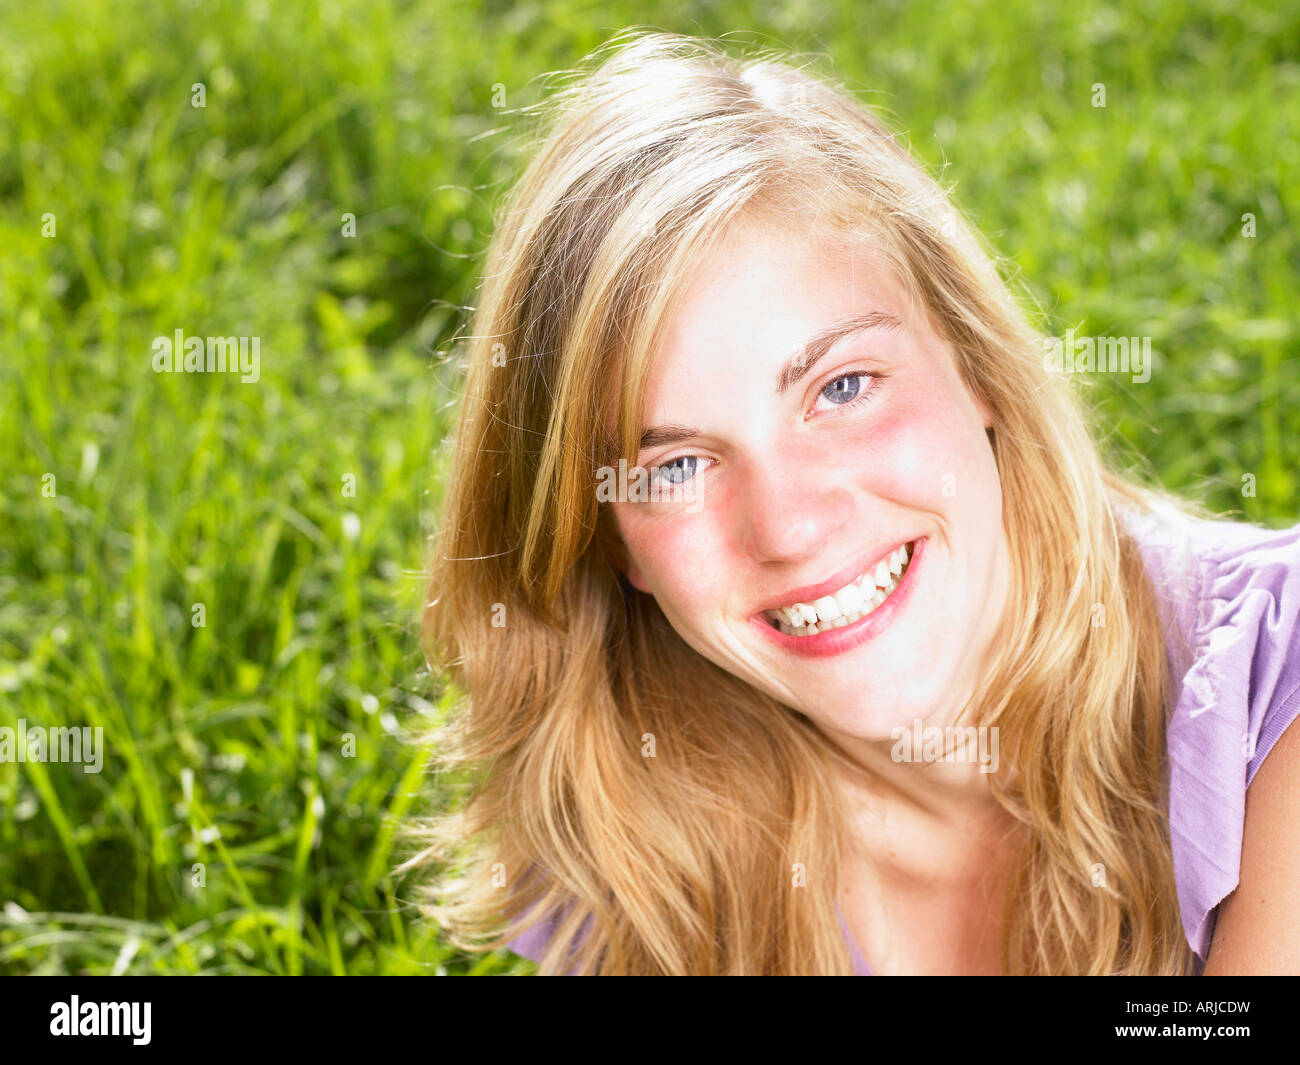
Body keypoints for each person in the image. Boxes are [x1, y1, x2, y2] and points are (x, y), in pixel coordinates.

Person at [401, 30, 1300, 975]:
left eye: (840, 388)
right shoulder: (644, 863)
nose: (789, 528)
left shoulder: (1271, 692)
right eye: (674, 468)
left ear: (974, 363)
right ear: (610, 537)